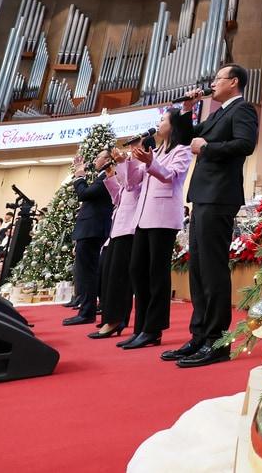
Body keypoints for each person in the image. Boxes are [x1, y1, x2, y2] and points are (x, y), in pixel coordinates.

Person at [161, 64, 258, 368]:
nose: (212, 84)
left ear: (233, 82)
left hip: (220, 195)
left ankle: (217, 341)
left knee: (213, 269)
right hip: (203, 196)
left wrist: (208, 147)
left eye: (218, 79)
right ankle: (199, 335)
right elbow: (184, 138)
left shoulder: (242, 109)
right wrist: (188, 109)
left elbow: (246, 144)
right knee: (199, 268)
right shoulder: (217, 114)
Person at [121, 112, 193, 351]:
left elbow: (170, 176)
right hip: (143, 217)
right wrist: (132, 159)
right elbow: (132, 183)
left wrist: (150, 162)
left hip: (163, 218)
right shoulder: (157, 151)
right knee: (137, 270)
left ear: (173, 126)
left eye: (163, 120)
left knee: (157, 273)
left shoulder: (182, 150)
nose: (158, 124)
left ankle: (153, 329)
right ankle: (141, 327)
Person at [90, 145, 142, 340]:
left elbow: (131, 185)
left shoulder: (140, 167)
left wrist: (122, 164)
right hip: (117, 228)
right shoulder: (128, 166)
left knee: (119, 278)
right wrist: (111, 175)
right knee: (108, 275)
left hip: (130, 228)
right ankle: (110, 317)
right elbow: (118, 197)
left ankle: (115, 319)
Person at [63, 150, 119, 326]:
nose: (95, 160)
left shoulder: (106, 177)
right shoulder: (100, 177)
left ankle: (87, 312)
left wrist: (79, 176)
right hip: (90, 228)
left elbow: (84, 194)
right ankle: (86, 310)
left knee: (88, 272)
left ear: (107, 160)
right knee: (85, 272)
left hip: (93, 229)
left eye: (98, 157)